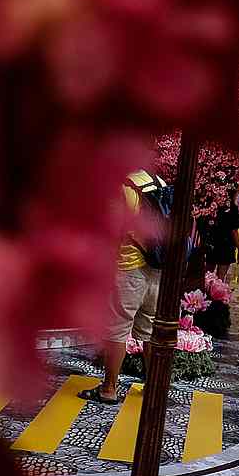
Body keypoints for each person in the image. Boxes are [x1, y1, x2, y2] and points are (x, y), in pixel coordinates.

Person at [79, 169, 164, 404]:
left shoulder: (122, 186)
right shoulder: (158, 181)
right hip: (158, 268)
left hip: (130, 267)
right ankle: (154, 387)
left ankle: (109, 388)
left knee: (117, 329)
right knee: (150, 330)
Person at [197, 188, 239, 282]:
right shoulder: (233, 208)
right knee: (220, 278)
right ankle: (215, 294)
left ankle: (205, 293)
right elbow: (234, 231)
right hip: (226, 245)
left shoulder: (213, 204)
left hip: (212, 243)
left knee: (208, 275)